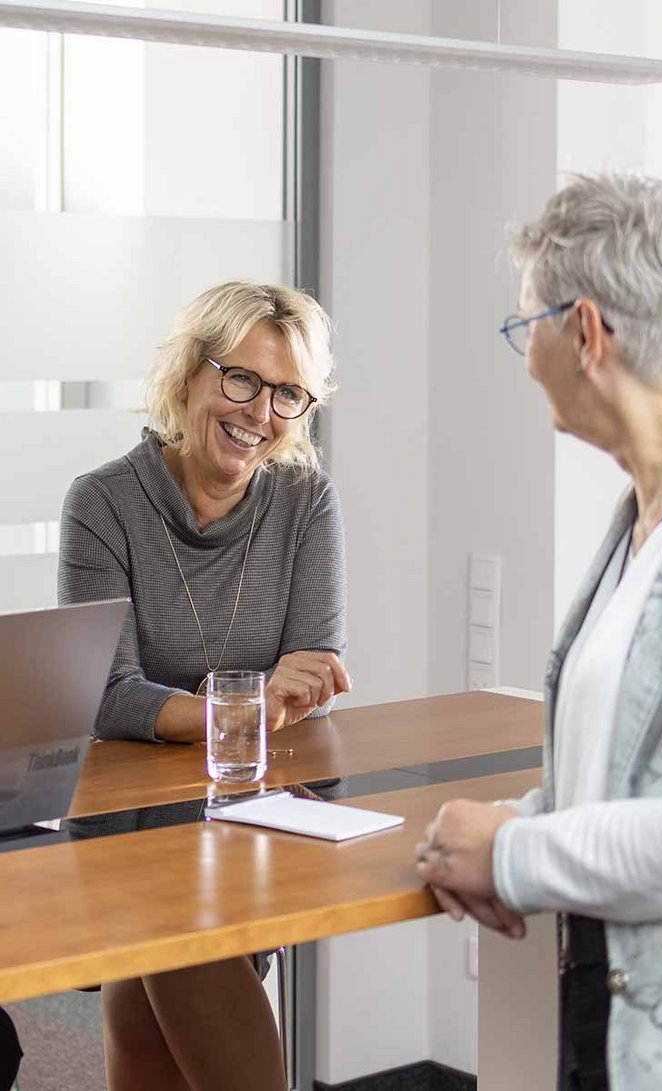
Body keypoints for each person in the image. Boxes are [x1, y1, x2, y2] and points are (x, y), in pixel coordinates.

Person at [415, 175, 662, 1089]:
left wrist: (513, 854)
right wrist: (501, 829)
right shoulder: (644, 512)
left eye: (525, 329)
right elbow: (626, 776)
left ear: (585, 332)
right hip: (606, 1006)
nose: (524, 359)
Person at [59, 281, 350, 1091]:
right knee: (169, 946)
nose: (260, 410)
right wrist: (255, 703)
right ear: (189, 375)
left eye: (289, 392)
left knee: (154, 1009)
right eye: (242, 379)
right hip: (137, 818)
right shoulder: (104, 503)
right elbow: (107, 695)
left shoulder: (305, 499)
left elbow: (316, 668)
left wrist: (252, 703)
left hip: (256, 811)